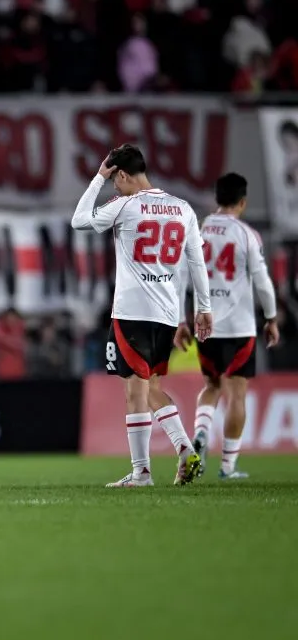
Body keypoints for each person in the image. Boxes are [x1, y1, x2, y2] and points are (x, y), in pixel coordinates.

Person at [70, 144, 212, 487]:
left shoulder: (125, 205)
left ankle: (142, 472)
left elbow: (79, 221)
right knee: (151, 387)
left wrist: (97, 178)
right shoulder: (182, 208)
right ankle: (183, 449)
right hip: (165, 314)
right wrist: (201, 309)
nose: (114, 186)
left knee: (135, 391)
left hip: (132, 312)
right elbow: (195, 262)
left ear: (121, 174)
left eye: (115, 180)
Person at [177, 173, 278, 479]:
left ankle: (201, 432)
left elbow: (182, 277)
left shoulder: (197, 229)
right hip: (239, 327)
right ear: (243, 202)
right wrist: (271, 318)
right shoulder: (246, 234)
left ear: (217, 197)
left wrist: (181, 319)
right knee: (236, 394)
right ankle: (228, 466)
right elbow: (262, 282)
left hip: (204, 323)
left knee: (211, 386)